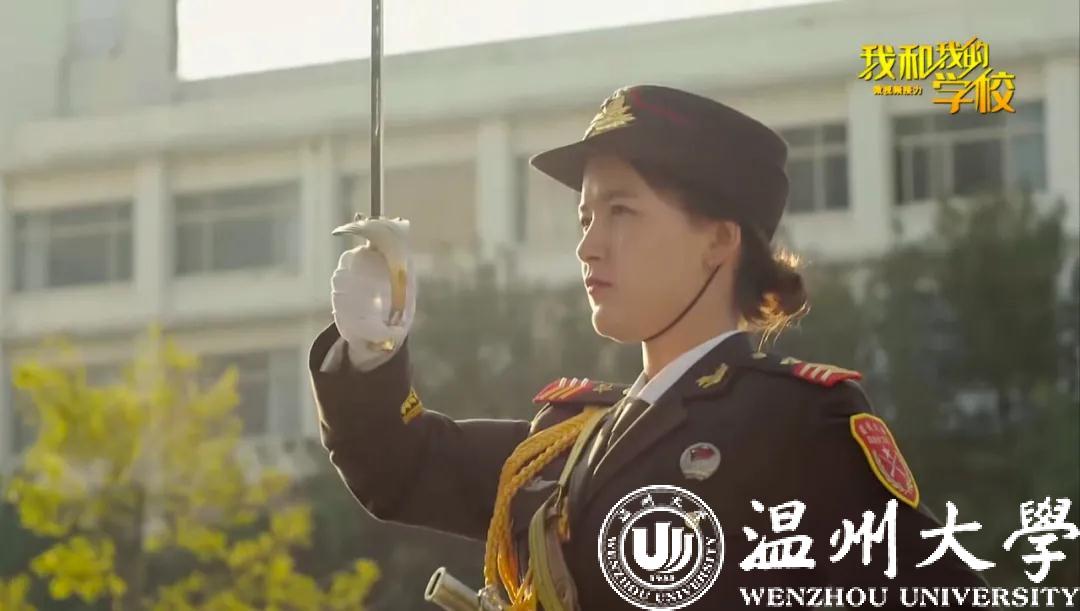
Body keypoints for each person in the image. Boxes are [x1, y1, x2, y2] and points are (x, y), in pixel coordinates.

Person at [309, 85, 987, 610]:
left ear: (718, 240)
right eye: (585, 217)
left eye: (621, 212)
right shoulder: (563, 444)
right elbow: (398, 465)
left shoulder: (794, 424)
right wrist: (372, 345)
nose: (588, 245)